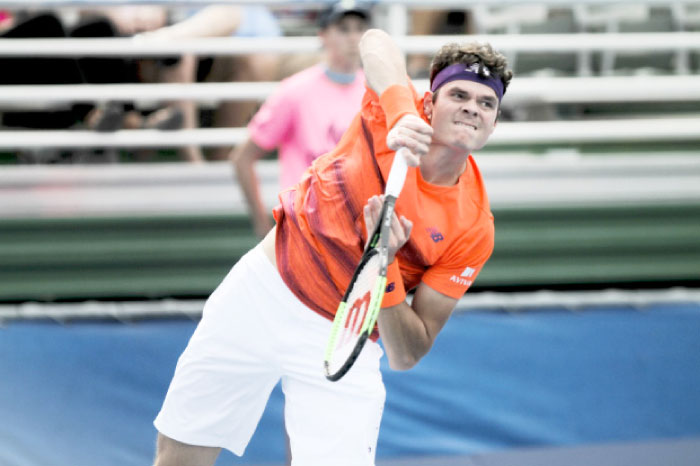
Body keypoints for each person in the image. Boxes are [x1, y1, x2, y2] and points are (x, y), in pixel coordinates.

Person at [152, 25, 512, 465]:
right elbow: (375, 41)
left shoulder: (473, 226)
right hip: (263, 289)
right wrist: (400, 114)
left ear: (494, 122)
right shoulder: (392, 114)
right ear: (430, 101)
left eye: (486, 103)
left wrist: (384, 263)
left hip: (345, 333)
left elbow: (407, 353)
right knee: (179, 453)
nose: (472, 108)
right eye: (459, 94)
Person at [232, 1, 372, 238]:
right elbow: (242, 158)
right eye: (343, 28)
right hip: (305, 229)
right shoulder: (294, 91)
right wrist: (261, 223)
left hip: (360, 229)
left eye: (359, 28)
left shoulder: (376, 92)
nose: (353, 37)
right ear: (323, 35)